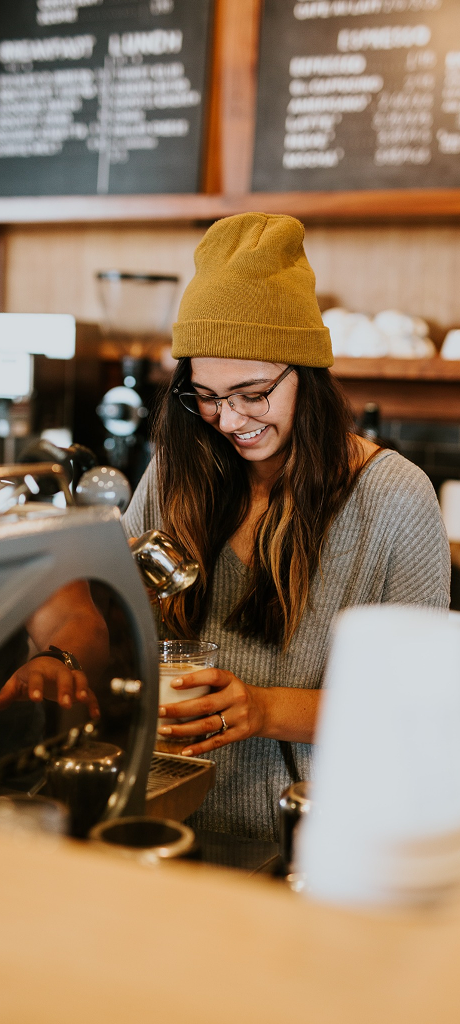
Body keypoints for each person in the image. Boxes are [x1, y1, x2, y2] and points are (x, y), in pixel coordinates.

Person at [122, 212, 450, 841]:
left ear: (308, 374)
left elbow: (418, 705)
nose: (229, 419)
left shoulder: (393, 496)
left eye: (253, 392)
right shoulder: (175, 473)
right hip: (169, 818)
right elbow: (122, 615)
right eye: (207, 395)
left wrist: (265, 708)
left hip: (315, 837)